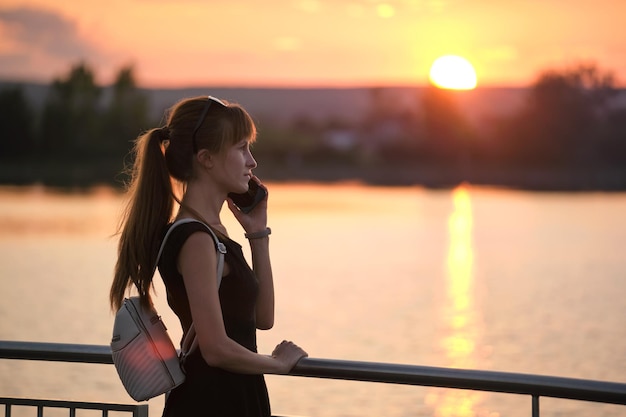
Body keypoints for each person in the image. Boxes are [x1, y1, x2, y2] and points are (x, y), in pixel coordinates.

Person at [109, 95, 308, 416]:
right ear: (207, 158)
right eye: (241, 148)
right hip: (212, 402)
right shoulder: (195, 238)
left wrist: (258, 233)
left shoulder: (212, 234)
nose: (252, 161)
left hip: (233, 397)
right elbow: (215, 350)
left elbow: (262, 319)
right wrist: (277, 364)